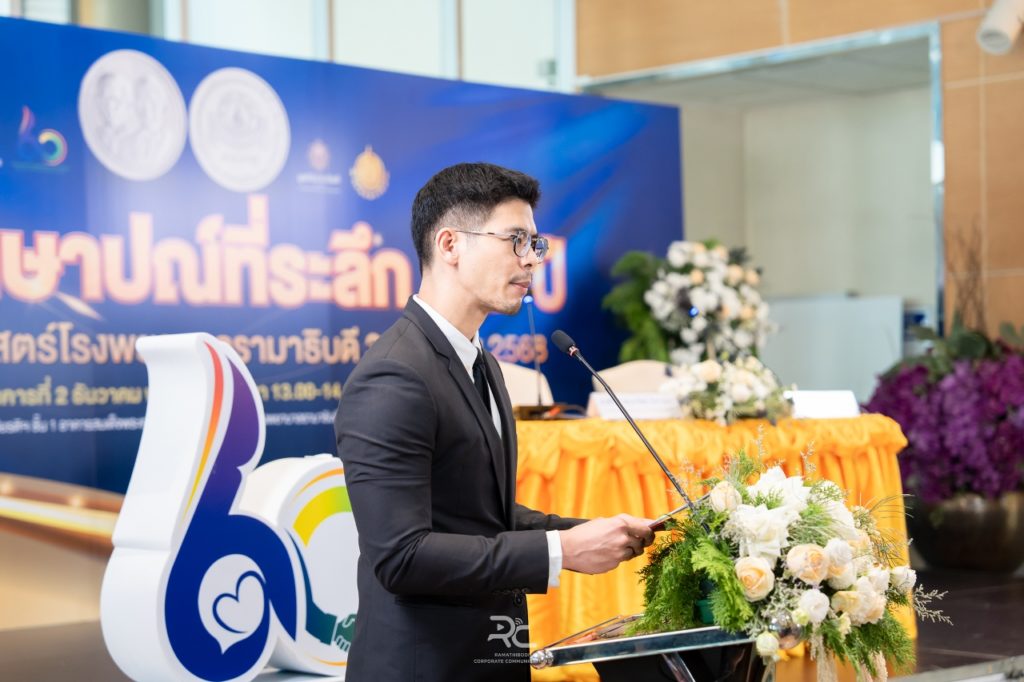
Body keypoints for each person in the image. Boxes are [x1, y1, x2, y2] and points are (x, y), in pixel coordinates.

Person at [334, 162, 654, 681]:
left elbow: (480, 516)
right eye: (515, 240)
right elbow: (401, 557)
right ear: (450, 245)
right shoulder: (394, 375)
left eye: (536, 243)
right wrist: (560, 550)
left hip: (487, 656)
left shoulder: (482, 363)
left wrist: (586, 533)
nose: (531, 259)